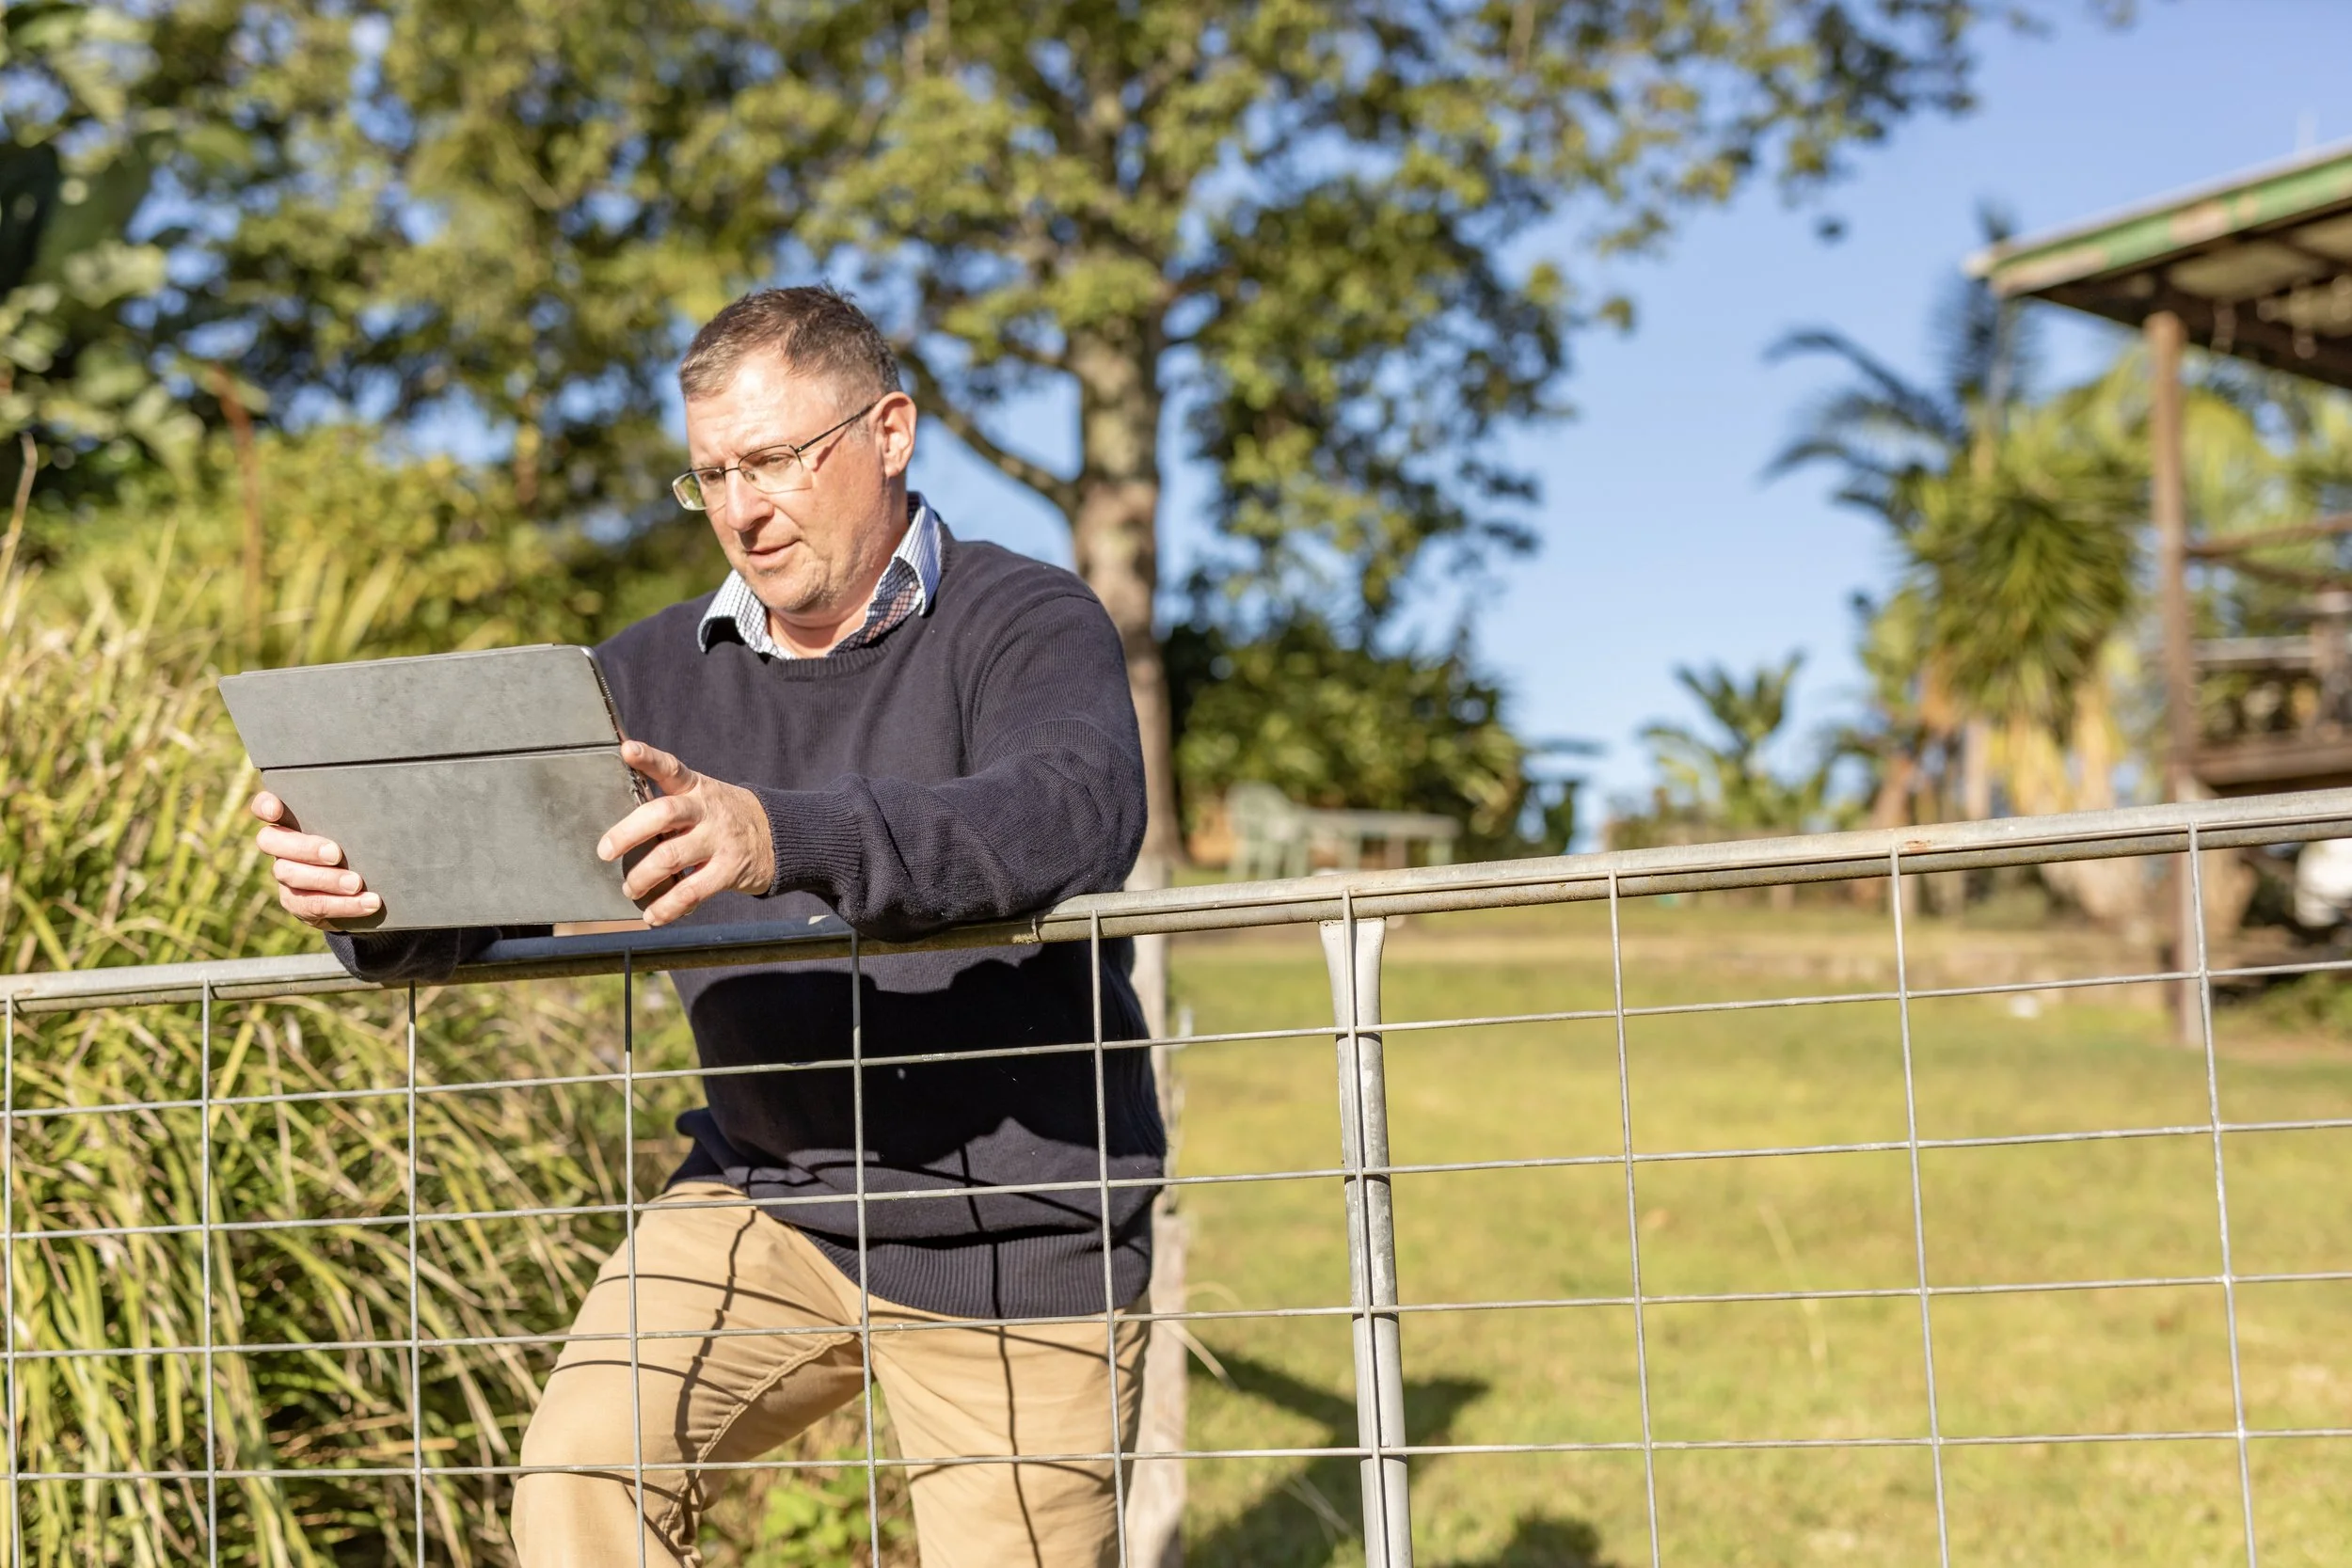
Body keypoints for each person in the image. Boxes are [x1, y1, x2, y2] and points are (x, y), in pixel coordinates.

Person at [250, 286, 1162, 1568]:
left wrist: (785, 834)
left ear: (889, 432)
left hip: (1018, 1242)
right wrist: (373, 896)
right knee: (577, 1482)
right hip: (765, 1199)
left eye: (777, 460)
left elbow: (1066, 815)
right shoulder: (647, 677)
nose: (741, 508)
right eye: (711, 474)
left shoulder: (1028, 621)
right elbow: (490, 879)